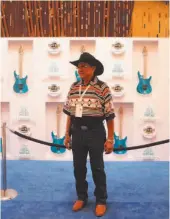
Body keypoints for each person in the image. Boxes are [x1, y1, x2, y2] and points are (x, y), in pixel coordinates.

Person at [63, 52, 115, 217]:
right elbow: (70, 114)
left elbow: (110, 115)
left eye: (84, 65)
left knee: (97, 168)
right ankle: (81, 197)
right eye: (79, 66)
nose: (80, 68)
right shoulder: (73, 87)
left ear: (93, 68)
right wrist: (66, 135)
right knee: (78, 168)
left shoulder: (102, 88)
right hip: (77, 132)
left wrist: (110, 139)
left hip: (96, 132)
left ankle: (101, 200)